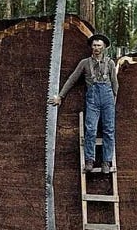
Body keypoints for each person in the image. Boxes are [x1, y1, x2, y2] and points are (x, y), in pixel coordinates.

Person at [49, 33, 118, 174]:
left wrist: (112, 101)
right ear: (91, 47)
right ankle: (89, 161)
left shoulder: (110, 63)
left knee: (109, 131)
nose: (96, 48)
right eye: (94, 45)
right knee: (91, 130)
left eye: (99, 45)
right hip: (92, 100)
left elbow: (115, 84)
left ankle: (106, 161)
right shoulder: (85, 63)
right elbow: (72, 79)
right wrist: (60, 96)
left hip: (108, 99)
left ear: (104, 47)